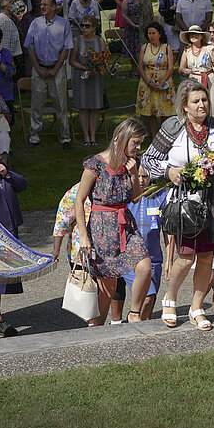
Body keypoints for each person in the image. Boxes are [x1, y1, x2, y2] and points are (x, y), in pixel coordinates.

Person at [142, 80, 214, 330]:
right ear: (184, 106)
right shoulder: (173, 127)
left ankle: (197, 306)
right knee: (186, 256)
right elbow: (148, 159)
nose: (201, 105)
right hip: (184, 202)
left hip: (212, 202)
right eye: (195, 101)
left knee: (207, 257)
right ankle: (170, 299)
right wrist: (169, 171)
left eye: (204, 100)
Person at [74, 119, 152, 325]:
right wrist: (83, 235)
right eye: (135, 142)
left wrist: (134, 173)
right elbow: (79, 200)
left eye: (140, 143)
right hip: (102, 228)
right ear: (121, 139)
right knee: (107, 289)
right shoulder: (96, 164)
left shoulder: (131, 164)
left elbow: (135, 198)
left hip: (126, 224)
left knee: (144, 266)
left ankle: (134, 313)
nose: (138, 147)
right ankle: (96, 328)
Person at [0, 139, 26, 336]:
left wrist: (7, 174)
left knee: (0, 276)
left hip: (8, 231)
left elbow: (23, 185)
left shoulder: (3, 174)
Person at [24, 0, 73, 149]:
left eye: (45, 4)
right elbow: (30, 46)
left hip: (57, 69)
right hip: (39, 68)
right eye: (41, 4)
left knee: (61, 104)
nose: (42, 6)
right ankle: (34, 136)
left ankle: (65, 138)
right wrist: (37, 68)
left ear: (54, 7)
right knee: (36, 104)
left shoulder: (64, 24)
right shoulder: (35, 23)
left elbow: (67, 48)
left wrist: (56, 69)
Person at [120, 160, 167, 320]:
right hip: (132, 259)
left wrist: (170, 259)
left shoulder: (160, 195)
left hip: (154, 259)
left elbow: (169, 231)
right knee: (147, 296)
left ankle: (140, 327)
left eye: (145, 176)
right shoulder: (127, 196)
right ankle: (135, 323)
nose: (141, 180)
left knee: (150, 300)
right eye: (138, 176)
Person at [68, 15, 107, 146]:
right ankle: (86, 137)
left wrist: (96, 68)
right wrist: (86, 67)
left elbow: (103, 59)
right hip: (81, 77)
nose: (84, 28)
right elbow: (71, 60)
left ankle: (93, 136)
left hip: (96, 78)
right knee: (84, 107)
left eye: (87, 26)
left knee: (94, 107)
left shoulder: (100, 41)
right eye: (82, 25)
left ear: (94, 28)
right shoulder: (76, 40)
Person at [137, 22, 175, 140]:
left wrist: (162, 81)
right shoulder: (145, 47)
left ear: (159, 34)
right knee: (151, 112)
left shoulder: (166, 47)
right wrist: (148, 82)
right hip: (148, 82)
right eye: (149, 33)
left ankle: (165, 136)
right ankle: (154, 137)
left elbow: (170, 68)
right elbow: (140, 67)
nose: (151, 36)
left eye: (154, 33)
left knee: (164, 112)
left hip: (163, 81)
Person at [179, 25, 214, 116]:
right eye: (191, 35)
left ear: (201, 36)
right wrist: (185, 70)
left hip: (210, 81)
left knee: (213, 107)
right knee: (196, 105)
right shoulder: (187, 51)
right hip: (194, 80)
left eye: (197, 34)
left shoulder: (209, 49)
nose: (194, 37)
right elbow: (180, 69)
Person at [0, 0, 22, 90]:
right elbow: (5, 43)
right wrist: (9, 61)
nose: (14, 6)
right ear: (7, 6)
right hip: (8, 56)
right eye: (12, 3)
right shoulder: (5, 20)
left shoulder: (4, 18)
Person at [18, 0, 43, 77]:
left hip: (45, 51)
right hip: (30, 50)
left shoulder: (47, 16)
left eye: (38, 2)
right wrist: (24, 49)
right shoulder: (27, 17)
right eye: (34, 2)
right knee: (30, 74)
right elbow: (22, 33)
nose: (36, 4)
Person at [122, 0, 143, 69]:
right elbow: (124, 15)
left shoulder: (144, 1)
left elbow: (150, 14)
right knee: (132, 50)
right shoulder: (126, 1)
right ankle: (134, 69)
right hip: (131, 29)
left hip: (142, 29)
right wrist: (133, 25)